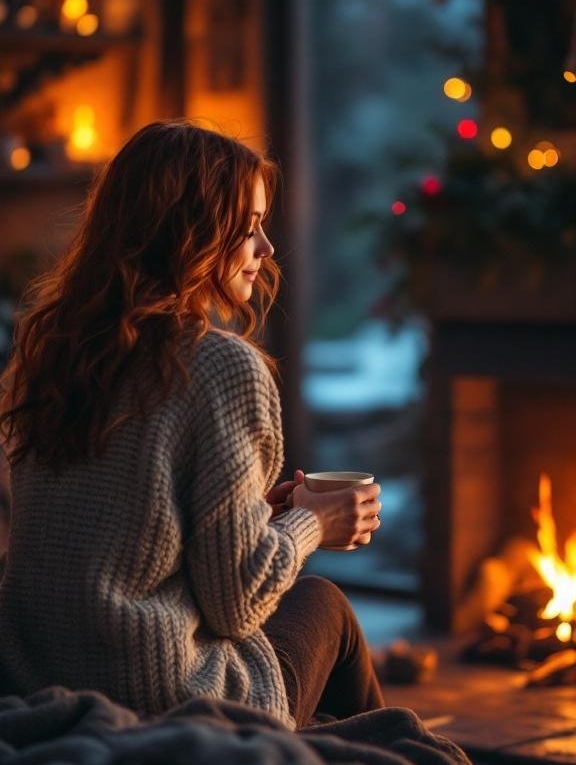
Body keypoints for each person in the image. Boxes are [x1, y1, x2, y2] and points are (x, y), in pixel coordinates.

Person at [0, 120, 384, 729]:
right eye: (250, 226)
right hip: (168, 702)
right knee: (326, 606)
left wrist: (263, 516)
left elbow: (118, 533)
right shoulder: (220, 367)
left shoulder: (49, 353)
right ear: (191, 234)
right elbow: (237, 606)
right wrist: (315, 523)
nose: (267, 248)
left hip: (43, 687)